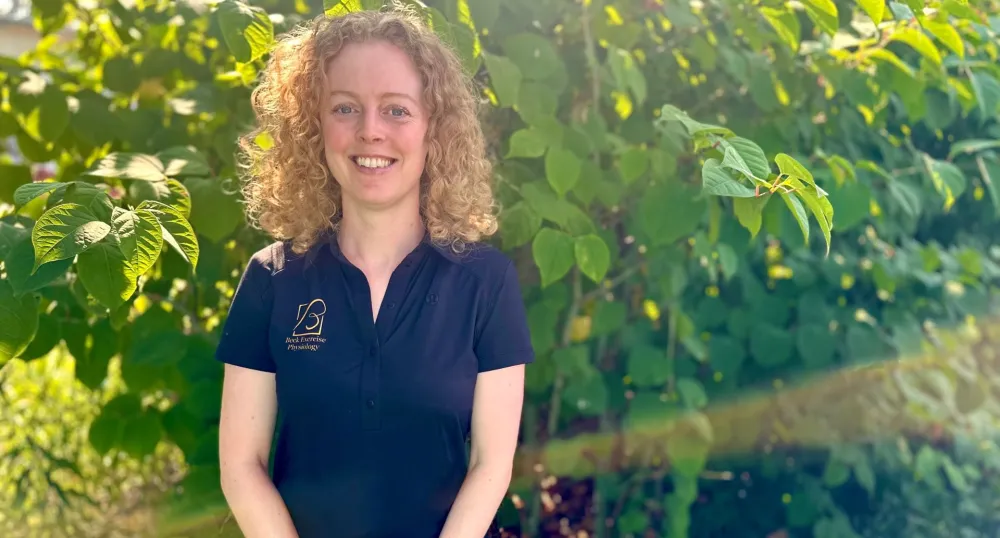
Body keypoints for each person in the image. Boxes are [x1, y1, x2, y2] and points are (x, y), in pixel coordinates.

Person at [215, 6, 535, 538]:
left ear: (435, 129)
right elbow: (240, 467)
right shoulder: (271, 278)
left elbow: (491, 466)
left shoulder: (486, 283)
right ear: (313, 126)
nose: (370, 132)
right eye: (345, 108)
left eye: (397, 110)